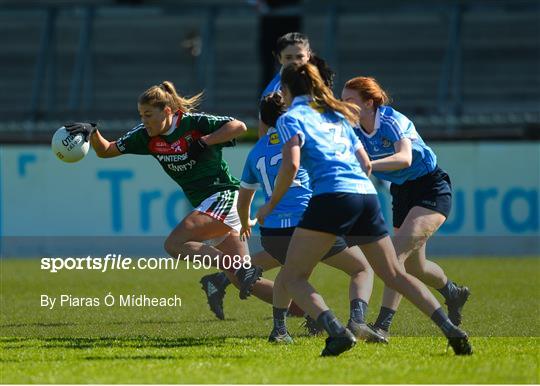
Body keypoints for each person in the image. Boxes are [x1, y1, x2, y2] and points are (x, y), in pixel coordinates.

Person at [256, 63, 472, 356]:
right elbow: (363, 161)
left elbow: (291, 165)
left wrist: (270, 204)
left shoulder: (290, 118)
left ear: (286, 89)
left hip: (331, 197)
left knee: (293, 276)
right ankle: (451, 329)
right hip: (366, 195)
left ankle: (337, 333)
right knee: (395, 273)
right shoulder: (337, 113)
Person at [64, 81, 264, 308]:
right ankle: (304, 309)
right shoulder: (146, 136)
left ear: (167, 111)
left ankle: (238, 267)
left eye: (148, 115)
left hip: (224, 196)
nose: (144, 121)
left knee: (174, 244)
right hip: (207, 205)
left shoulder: (193, 123)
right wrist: (93, 131)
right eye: (141, 115)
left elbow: (239, 127)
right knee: (242, 281)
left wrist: (204, 141)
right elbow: (106, 151)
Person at [199, 31, 335, 319]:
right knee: (304, 247)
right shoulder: (278, 91)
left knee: (296, 248)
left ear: (309, 55)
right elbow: (267, 138)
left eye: (299, 56)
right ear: (278, 60)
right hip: (297, 173)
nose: (295, 61)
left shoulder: (312, 85)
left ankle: (226, 279)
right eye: (288, 58)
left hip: (308, 170)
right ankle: (309, 318)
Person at [238, 91, 385, 343]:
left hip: (272, 232)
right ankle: (354, 322)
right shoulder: (304, 141)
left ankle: (279, 330)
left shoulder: (255, 152)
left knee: (289, 273)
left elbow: (243, 200)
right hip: (308, 225)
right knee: (361, 268)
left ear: (264, 118)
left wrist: (245, 223)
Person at [341, 76, 470, 342]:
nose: (345, 106)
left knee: (395, 257)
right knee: (416, 267)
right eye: (343, 101)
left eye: (350, 101)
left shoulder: (390, 120)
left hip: (431, 188)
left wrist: (368, 166)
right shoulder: (352, 129)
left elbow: (405, 158)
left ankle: (382, 326)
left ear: (369, 102)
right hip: (402, 193)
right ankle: (452, 292)